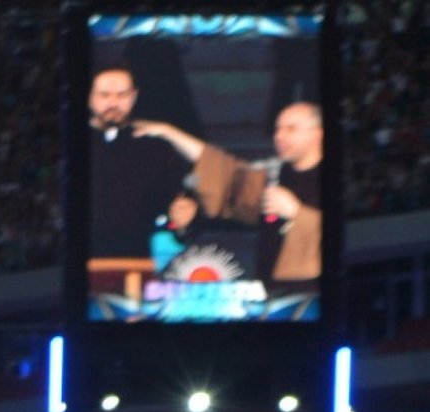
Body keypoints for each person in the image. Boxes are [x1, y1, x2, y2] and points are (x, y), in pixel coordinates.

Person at [130, 101, 324, 285]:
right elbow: (223, 171)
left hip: (314, 291)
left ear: (318, 134)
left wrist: (296, 213)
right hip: (270, 288)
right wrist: (168, 132)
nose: (280, 136)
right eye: (277, 129)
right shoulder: (276, 175)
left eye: (291, 129)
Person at [87, 66, 198, 259]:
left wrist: (184, 213)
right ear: (90, 97)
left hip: (138, 259)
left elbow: (180, 201)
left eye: (122, 95)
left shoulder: (157, 147)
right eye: (104, 95)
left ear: (134, 96)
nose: (113, 103)